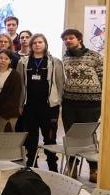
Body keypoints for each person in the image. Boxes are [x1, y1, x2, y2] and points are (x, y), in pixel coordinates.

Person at [60, 28, 103, 182]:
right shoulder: (65, 57)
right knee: (71, 135)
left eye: (71, 38)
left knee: (88, 136)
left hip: (91, 103)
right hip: (69, 102)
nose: (68, 41)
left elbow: (103, 77)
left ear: (79, 39)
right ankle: (72, 166)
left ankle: (93, 168)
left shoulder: (94, 56)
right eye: (65, 39)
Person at [17, 34, 63, 170]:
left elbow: (60, 83)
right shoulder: (23, 62)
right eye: (34, 43)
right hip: (30, 107)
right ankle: (31, 165)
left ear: (45, 44)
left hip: (49, 107)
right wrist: (20, 104)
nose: (37, 45)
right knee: (31, 138)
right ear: (31, 45)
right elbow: (20, 85)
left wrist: (58, 101)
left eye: (40, 42)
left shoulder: (54, 62)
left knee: (50, 138)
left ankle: (52, 166)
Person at [0, 50, 23, 134]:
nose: (3, 60)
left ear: (10, 61)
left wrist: (0, 111)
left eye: (6, 59)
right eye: (1, 58)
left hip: (9, 113)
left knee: (7, 138)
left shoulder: (15, 75)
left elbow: (15, 96)